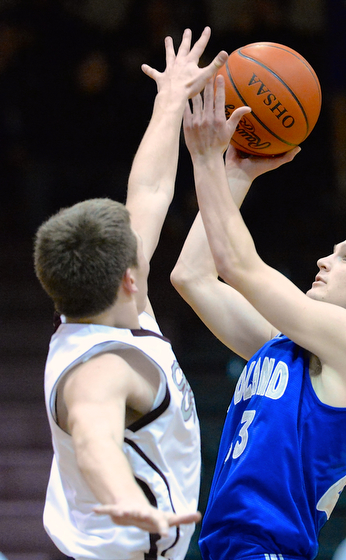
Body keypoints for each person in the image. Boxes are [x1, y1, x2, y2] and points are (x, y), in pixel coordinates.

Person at [170, 77, 346, 560]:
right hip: (224, 547)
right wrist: (234, 174)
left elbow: (238, 265)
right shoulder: (287, 345)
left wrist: (206, 160)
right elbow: (193, 277)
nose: (324, 261)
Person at [33, 28, 227, 560]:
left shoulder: (107, 306)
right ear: (129, 278)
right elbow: (95, 441)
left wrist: (170, 100)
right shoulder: (101, 369)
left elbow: (149, 190)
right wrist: (124, 500)